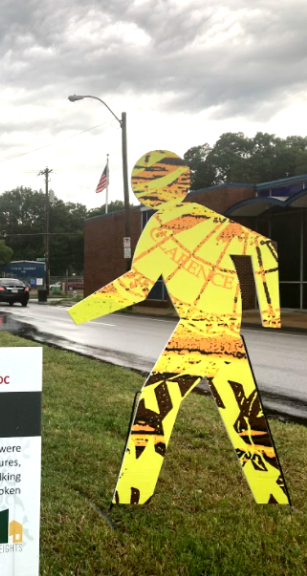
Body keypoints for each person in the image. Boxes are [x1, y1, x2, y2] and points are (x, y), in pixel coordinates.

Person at [69, 149, 289, 505]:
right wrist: (267, 311)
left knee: (153, 407)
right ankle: (271, 494)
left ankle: (132, 493)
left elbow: (137, 286)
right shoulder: (211, 219)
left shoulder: (161, 225)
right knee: (245, 415)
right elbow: (265, 249)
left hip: (197, 333)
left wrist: (80, 313)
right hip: (226, 333)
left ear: (147, 190)